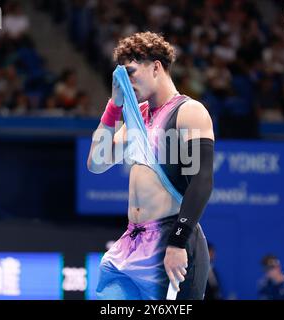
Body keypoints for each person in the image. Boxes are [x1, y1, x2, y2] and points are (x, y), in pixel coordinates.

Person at [87, 32, 214, 300]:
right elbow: (96, 163)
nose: (126, 82)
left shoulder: (190, 111)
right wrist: (114, 106)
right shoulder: (138, 117)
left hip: (171, 242)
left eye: (131, 73)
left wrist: (178, 242)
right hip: (130, 245)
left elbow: (202, 181)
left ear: (156, 67)